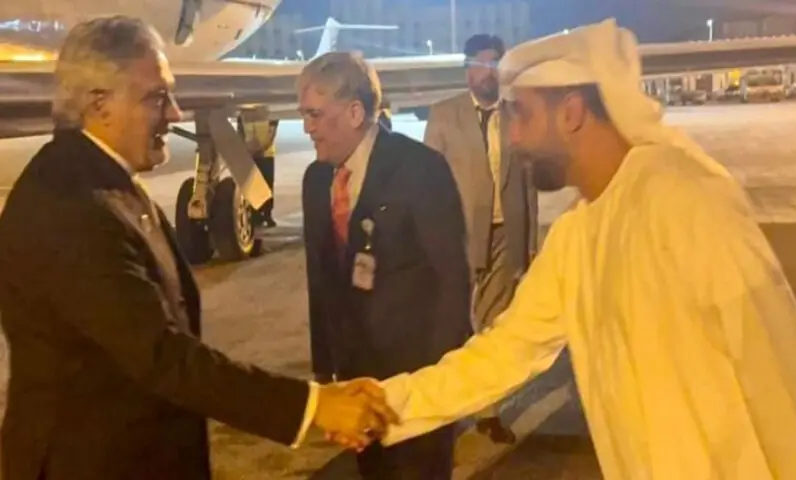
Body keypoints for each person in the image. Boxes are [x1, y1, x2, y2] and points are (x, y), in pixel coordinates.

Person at [373, 19, 796, 479]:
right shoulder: (576, 233)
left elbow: (775, 366)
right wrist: (384, 406)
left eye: (523, 115)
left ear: (571, 112)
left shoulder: (683, 196)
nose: (513, 138)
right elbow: (503, 354)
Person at [0, 16, 396, 480]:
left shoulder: (103, 182)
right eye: (156, 97)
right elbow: (161, 354)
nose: (175, 114)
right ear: (99, 103)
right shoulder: (70, 207)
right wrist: (313, 406)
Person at [298, 51, 473, 478]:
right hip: (358, 382)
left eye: (315, 115)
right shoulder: (316, 180)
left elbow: (452, 278)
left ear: (355, 112)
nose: (307, 128)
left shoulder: (420, 168)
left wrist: (440, 381)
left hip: (416, 380)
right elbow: (320, 280)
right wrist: (326, 369)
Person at [424, 33, 539, 444]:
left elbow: (528, 182)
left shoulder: (516, 115)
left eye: (494, 65)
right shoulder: (443, 115)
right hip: (457, 234)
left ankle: (489, 411)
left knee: (494, 325)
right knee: (451, 324)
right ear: (467, 70)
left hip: (506, 233)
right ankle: (446, 408)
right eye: (480, 64)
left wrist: (529, 243)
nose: (487, 73)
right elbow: (427, 182)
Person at [238, 111, 279, 227]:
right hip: (251, 154)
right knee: (253, 185)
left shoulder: (269, 110)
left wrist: (261, 148)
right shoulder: (243, 112)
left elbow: (272, 132)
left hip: (266, 154)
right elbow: (240, 131)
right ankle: (255, 214)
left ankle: (267, 214)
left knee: (267, 184)